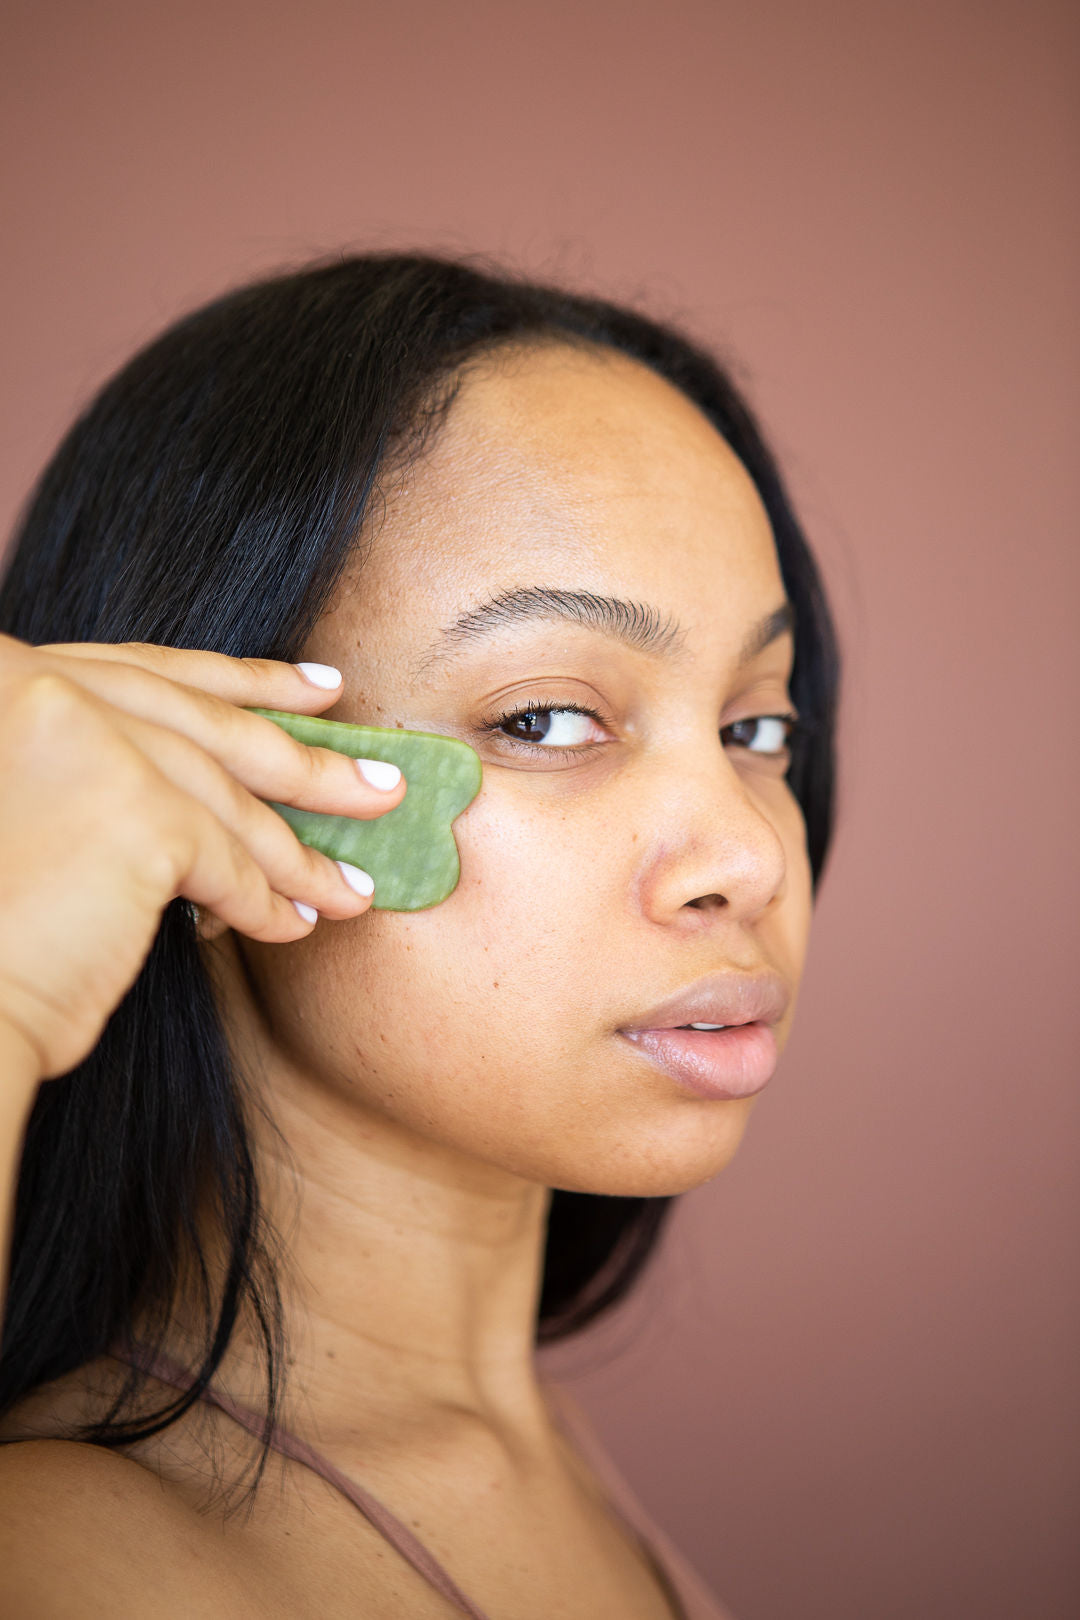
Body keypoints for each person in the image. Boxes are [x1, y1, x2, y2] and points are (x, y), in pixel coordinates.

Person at [0, 253, 841, 1618]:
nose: (748, 857)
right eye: (546, 719)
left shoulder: (527, 1443)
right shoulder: (68, 1553)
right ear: (206, 775)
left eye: (758, 728)